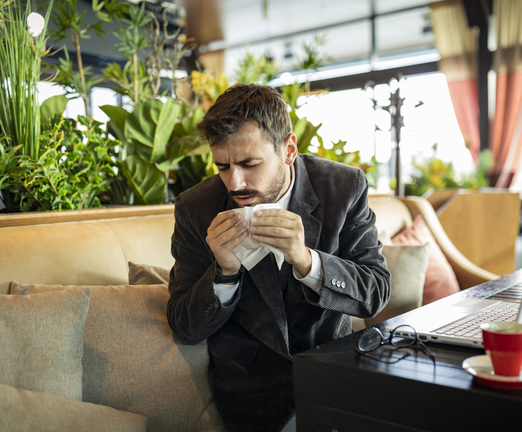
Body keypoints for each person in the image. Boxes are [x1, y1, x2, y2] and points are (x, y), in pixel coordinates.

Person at [166, 83, 391, 432]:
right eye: (222, 166)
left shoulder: (343, 188)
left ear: (288, 150)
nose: (235, 183)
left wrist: (307, 261)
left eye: (249, 163)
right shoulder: (196, 209)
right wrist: (224, 272)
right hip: (250, 395)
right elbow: (184, 326)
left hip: (335, 378)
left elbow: (375, 292)